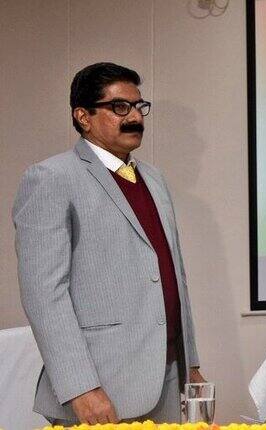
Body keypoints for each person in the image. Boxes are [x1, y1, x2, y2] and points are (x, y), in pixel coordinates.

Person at [14, 62, 204, 425]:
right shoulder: (51, 178)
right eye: (119, 107)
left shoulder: (153, 178)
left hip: (168, 378)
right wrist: (80, 388)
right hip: (100, 385)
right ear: (83, 116)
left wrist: (191, 365)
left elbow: (172, 276)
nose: (134, 116)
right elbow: (43, 294)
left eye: (138, 106)